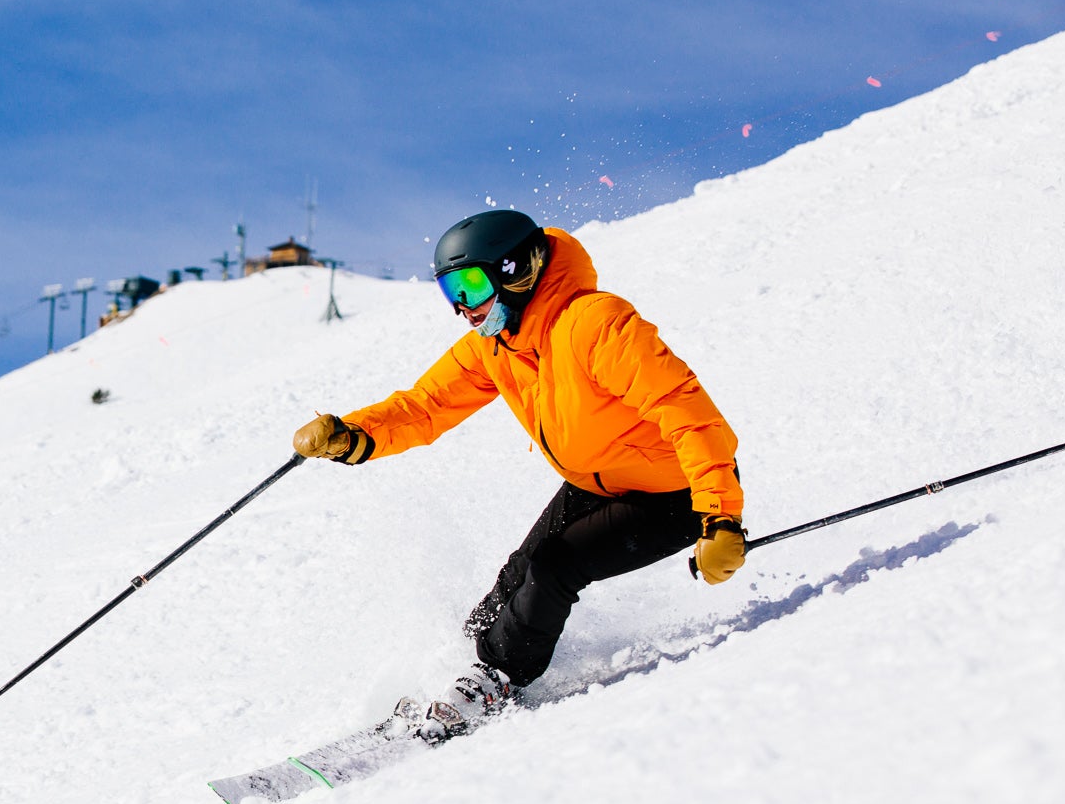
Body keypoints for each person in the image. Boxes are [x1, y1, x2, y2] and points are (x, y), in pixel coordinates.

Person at [293, 209, 746, 739]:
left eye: (470, 284)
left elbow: (688, 413)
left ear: (517, 271)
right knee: (518, 574)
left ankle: (494, 679)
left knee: (556, 566)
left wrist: (720, 516)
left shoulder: (595, 324)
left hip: (677, 492)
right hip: (597, 480)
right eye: (450, 291)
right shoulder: (497, 345)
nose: (462, 307)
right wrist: (351, 435)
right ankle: (462, 664)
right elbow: (426, 406)